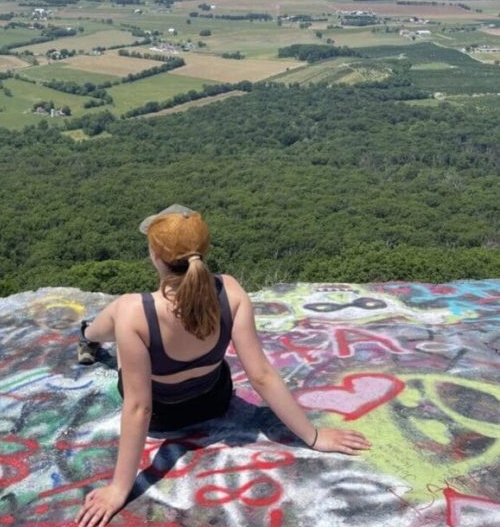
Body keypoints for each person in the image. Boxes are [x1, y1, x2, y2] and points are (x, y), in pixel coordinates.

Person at [75, 205, 371, 527]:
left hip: (163, 415)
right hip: (214, 402)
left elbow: (138, 408)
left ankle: (87, 334)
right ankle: (91, 334)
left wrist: (120, 489)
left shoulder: (135, 310)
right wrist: (312, 436)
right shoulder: (230, 290)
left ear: (155, 255)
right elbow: (261, 375)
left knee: (121, 316)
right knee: (129, 321)